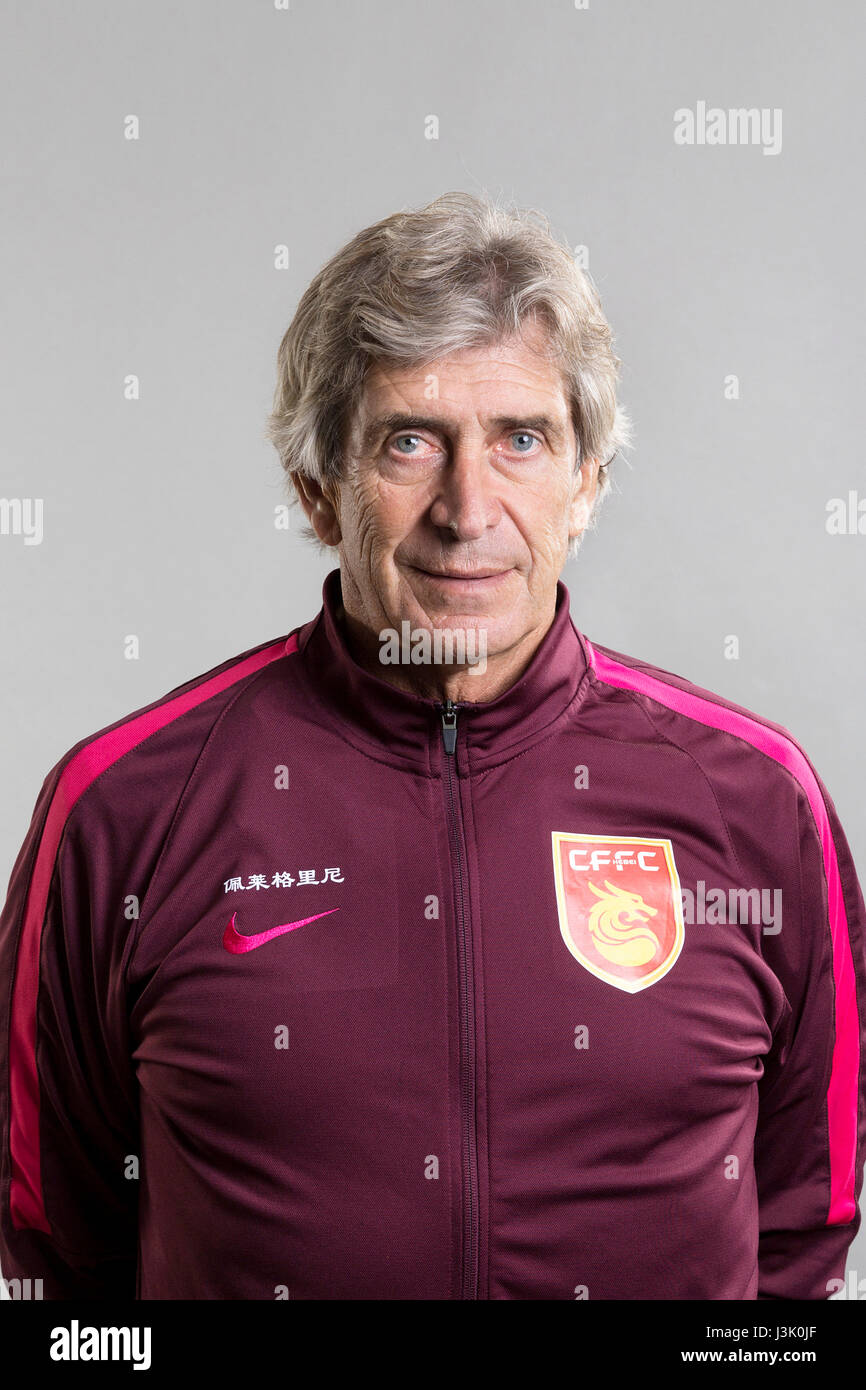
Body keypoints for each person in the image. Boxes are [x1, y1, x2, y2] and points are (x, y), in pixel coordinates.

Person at [1, 191, 863, 1300]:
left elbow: (799, 1234)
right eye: (409, 441)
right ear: (318, 492)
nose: (468, 507)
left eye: (520, 440)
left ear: (585, 483)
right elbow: (57, 1251)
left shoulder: (756, 802)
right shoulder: (121, 809)